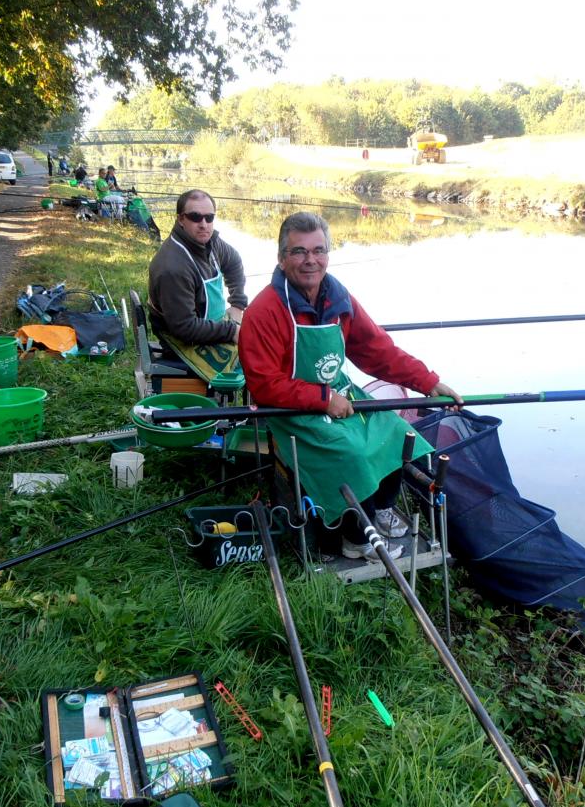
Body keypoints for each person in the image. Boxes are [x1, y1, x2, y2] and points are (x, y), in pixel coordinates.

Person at [238, 212, 461, 562]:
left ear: (328, 253)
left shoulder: (337, 298)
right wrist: (323, 399)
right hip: (289, 408)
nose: (310, 260)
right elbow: (264, 385)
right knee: (351, 452)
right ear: (282, 258)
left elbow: (377, 349)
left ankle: (380, 510)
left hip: (338, 393)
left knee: (397, 431)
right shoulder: (263, 311)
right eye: (298, 252)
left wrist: (428, 382)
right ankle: (356, 539)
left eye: (318, 250)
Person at [146, 189, 246, 382]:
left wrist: (237, 306)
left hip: (211, 323)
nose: (203, 224)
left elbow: (234, 262)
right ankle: (235, 409)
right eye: (195, 217)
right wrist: (232, 331)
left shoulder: (211, 243)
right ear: (180, 219)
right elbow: (185, 328)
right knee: (253, 358)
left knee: (264, 337)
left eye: (209, 217)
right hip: (183, 339)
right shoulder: (173, 267)